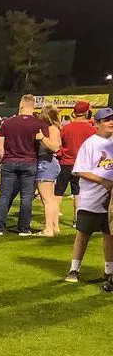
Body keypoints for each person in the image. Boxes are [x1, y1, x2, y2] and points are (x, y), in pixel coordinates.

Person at [64, 107, 113, 287]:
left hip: (110, 200)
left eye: (112, 119)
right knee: (83, 234)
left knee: (109, 235)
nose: (111, 122)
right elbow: (79, 170)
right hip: (92, 197)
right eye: (106, 120)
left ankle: (109, 272)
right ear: (97, 124)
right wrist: (103, 181)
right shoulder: (91, 143)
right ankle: (74, 269)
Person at [0, 95, 44, 236]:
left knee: (4, 195)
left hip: (9, 162)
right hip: (29, 162)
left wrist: (5, 158)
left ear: (21, 105)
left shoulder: (8, 122)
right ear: (34, 106)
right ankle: (24, 228)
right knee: (26, 197)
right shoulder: (39, 124)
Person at [56, 101, 97, 228]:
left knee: (58, 193)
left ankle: (53, 220)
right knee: (78, 193)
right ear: (86, 112)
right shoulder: (92, 129)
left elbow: (59, 145)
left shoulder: (66, 128)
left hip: (65, 163)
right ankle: (76, 220)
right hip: (82, 166)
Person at [35, 105, 64, 236]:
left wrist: (41, 138)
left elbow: (55, 147)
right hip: (51, 164)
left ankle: (48, 229)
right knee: (51, 198)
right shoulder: (54, 128)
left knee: (47, 199)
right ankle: (55, 226)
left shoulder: (51, 129)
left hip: (46, 163)